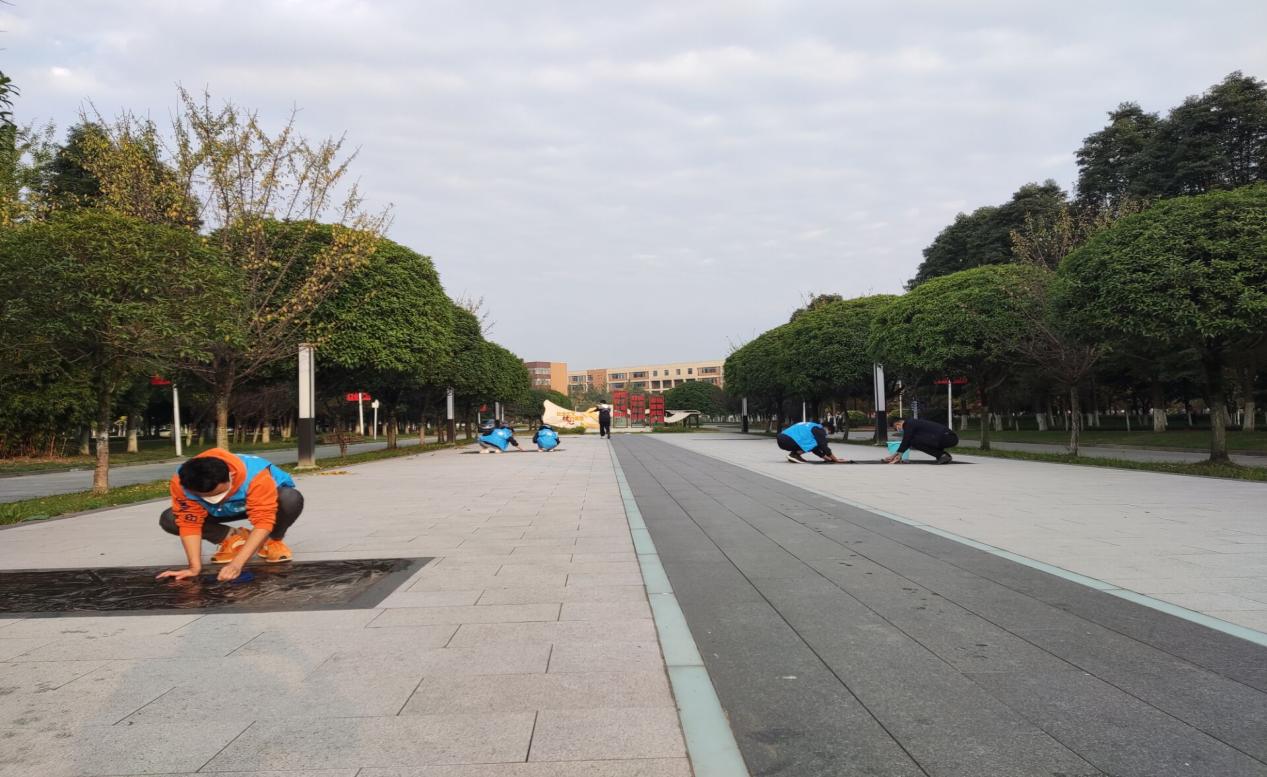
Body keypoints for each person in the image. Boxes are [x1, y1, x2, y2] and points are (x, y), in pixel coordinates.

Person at [156, 448, 303, 583]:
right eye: (205, 496)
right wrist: (194, 568)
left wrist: (236, 564)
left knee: (290, 498)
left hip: (256, 504)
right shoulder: (182, 482)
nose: (217, 500)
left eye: (220, 493)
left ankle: (271, 541)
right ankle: (233, 537)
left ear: (231, 476)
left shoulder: (256, 475)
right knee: (170, 519)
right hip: (215, 512)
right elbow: (189, 523)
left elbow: (263, 520)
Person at [883, 417, 959, 464]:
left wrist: (899, 454)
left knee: (914, 442)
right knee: (914, 440)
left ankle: (942, 455)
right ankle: (943, 456)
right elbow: (907, 441)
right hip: (948, 437)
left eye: (896, 428)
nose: (898, 429)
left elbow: (907, 439)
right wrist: (895, 455)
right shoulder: (912, 423)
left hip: (947, 437)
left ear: (898, 424)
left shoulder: (909, 424)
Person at [777, 420, 847, 463]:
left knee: (812, 442)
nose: (826, 434)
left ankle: (794, 455)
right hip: (789, 440)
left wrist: (826, 458)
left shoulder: (812, 425)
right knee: (817, 442)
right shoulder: (819, 429)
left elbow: (814, 449)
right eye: (829, 432)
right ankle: (794, 454)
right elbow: (823, 446)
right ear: (827, 428)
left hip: (781, 438)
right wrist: (836, 460)